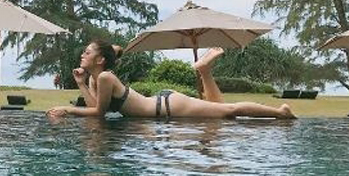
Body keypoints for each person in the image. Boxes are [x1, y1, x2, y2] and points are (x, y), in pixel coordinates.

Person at [46, 40, 295, 119]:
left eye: (87, 52)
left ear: (100, 60)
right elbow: (94, 108)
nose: (82, 55)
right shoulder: (96, 79)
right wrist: (81, 83)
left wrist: (67, 109)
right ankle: (205, 71)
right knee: (222, 112)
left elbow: (99, 113)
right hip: (162, 106)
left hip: (168, 106)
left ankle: (280, 112)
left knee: (228, 111)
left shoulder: (105, 77)